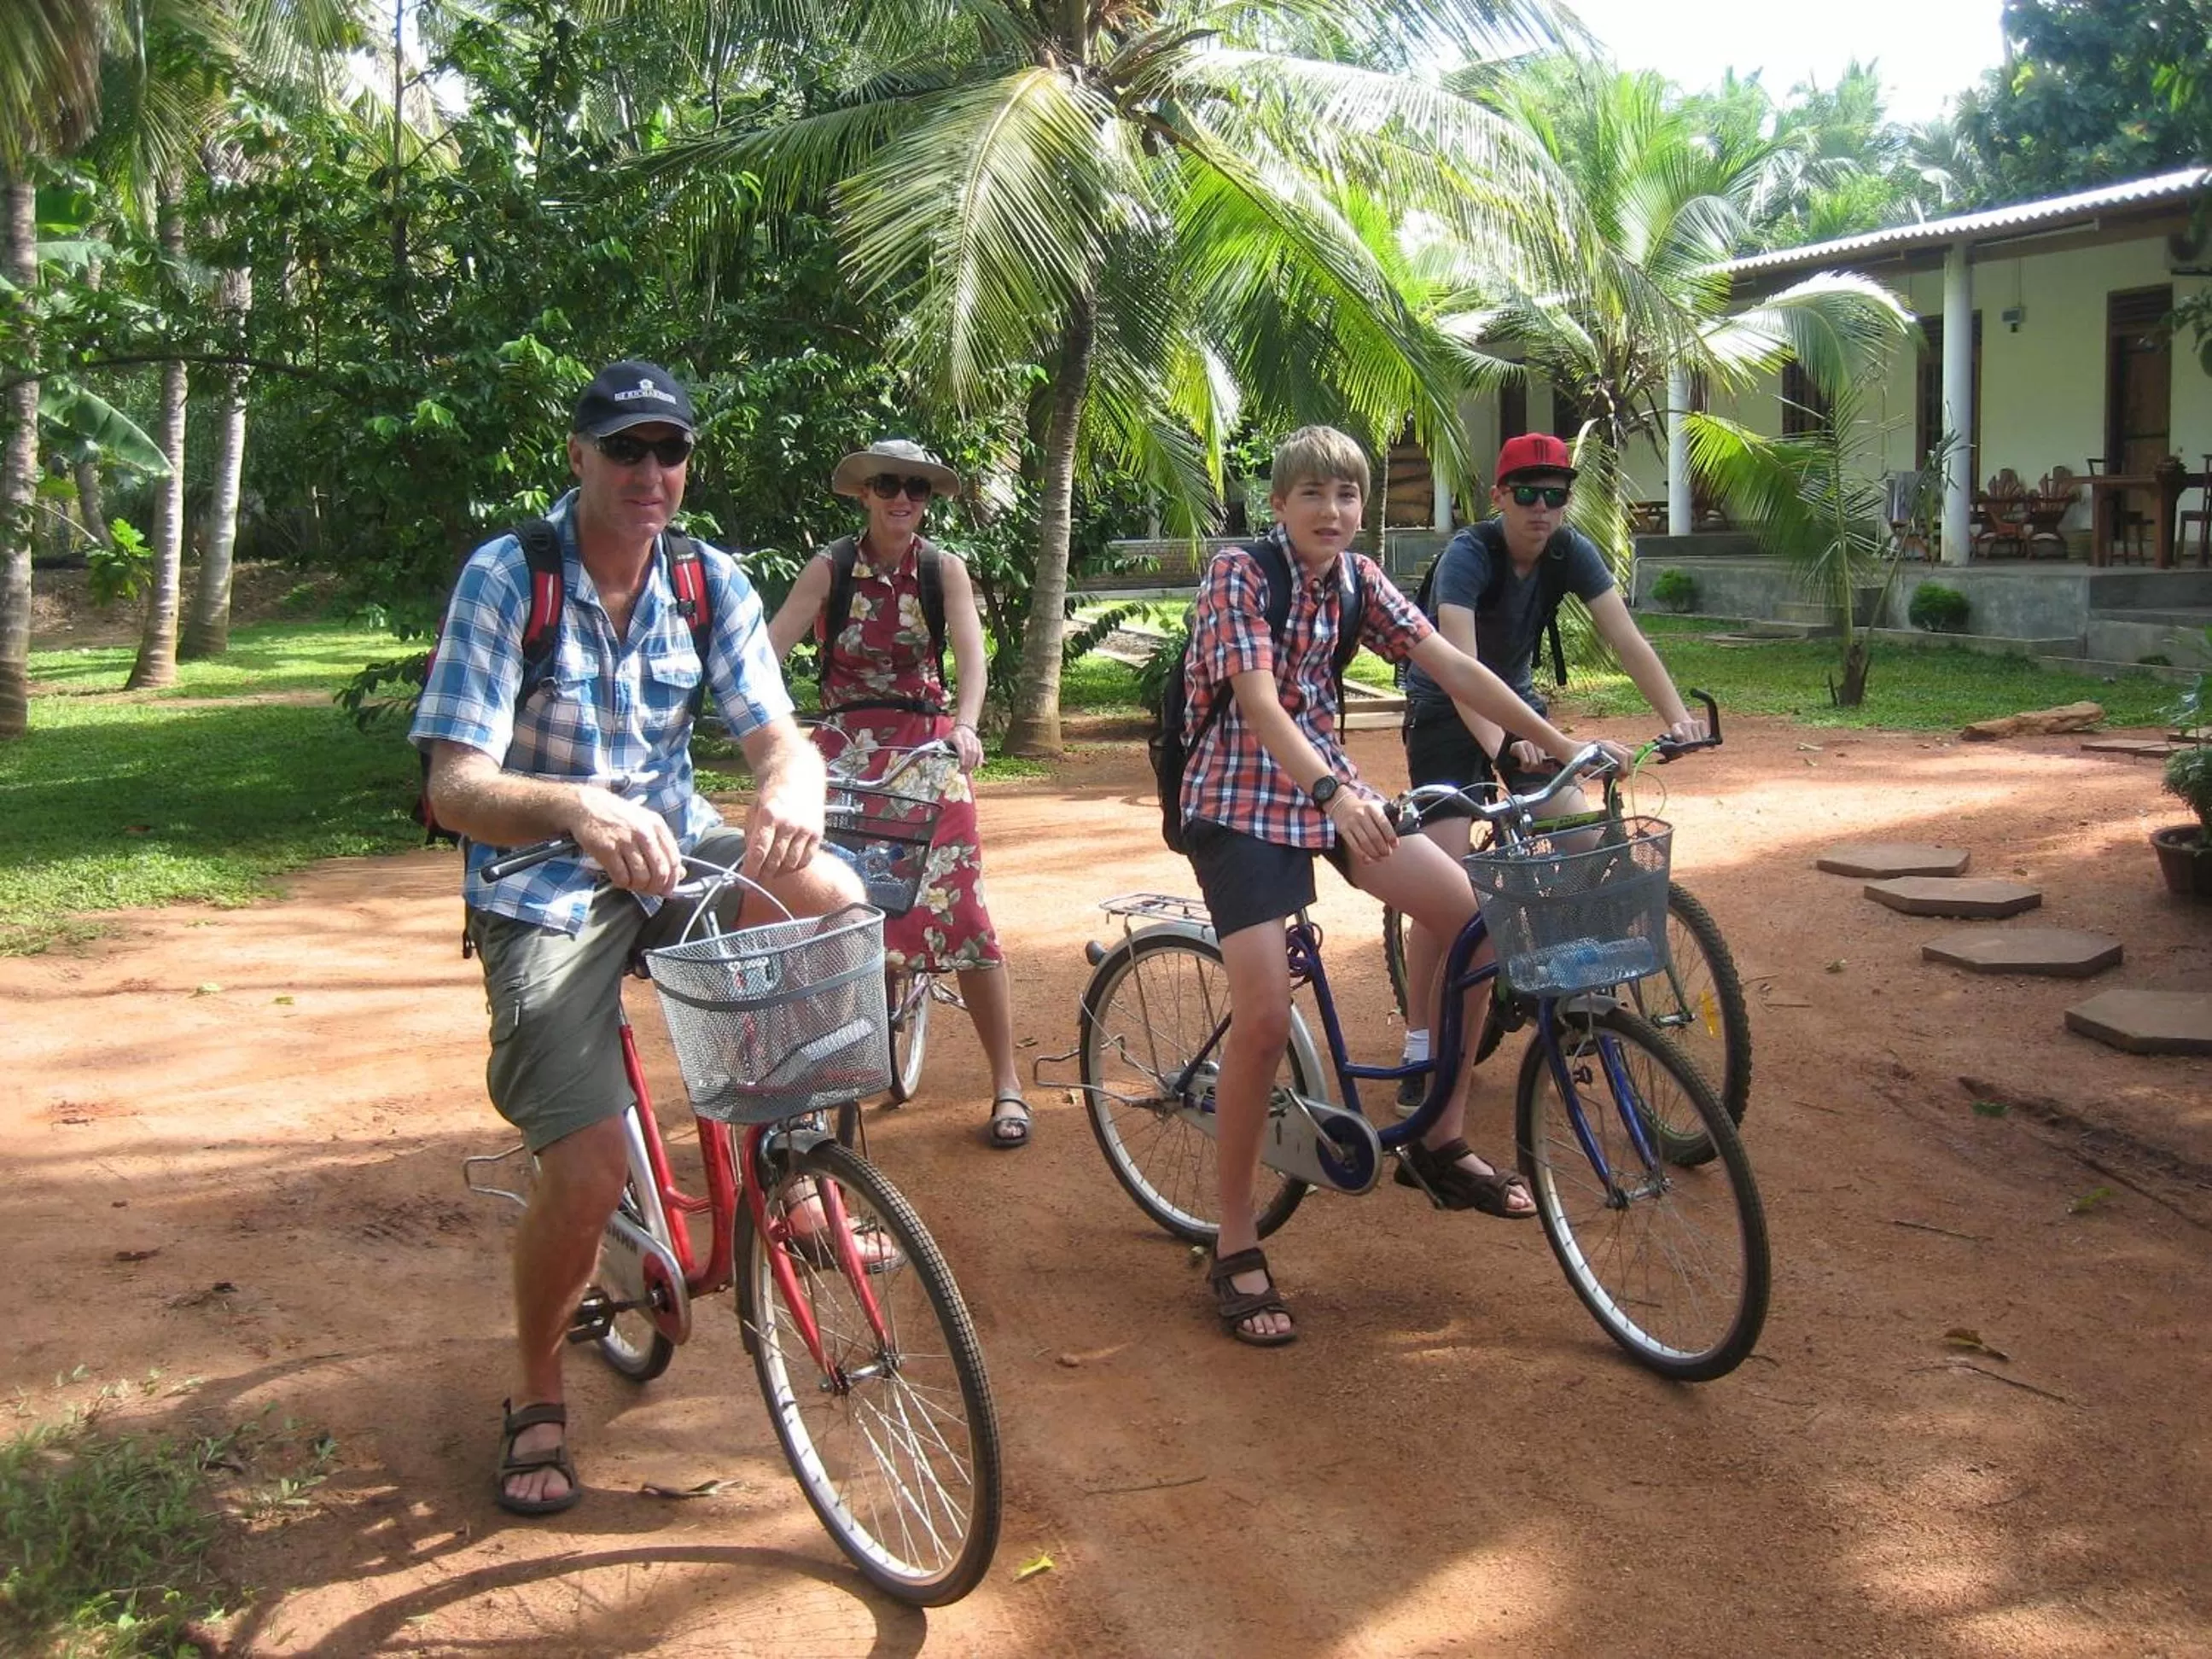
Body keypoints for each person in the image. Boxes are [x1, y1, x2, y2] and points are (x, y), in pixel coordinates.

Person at [411, 360, 863, 1516]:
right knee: (592, 1162)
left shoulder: (708, 579)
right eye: (626, 450)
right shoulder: (509, 578)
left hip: (673, 846)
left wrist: (794, 790)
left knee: (837, 895)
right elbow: (453, 787)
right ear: (579, 457)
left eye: (669, 452)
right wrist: (575, 808)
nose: (650, 474)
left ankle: (788, 1146)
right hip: (541, 887)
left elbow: (776, 740)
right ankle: (534, 1388)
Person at [1179, 425, 1630, 1347]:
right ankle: (1233, 1241)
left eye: (1347, 496)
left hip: (1329, 791)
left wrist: (1554, 741)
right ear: (1278, 505)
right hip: (1236, 796)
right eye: (1313, 495)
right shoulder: (1239, 573)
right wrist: (1332, 792)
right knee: (1265, 1018)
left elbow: (1456, 666)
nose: (1332, 512)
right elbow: (1259, 705)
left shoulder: (1356, 579)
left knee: (1477, 920)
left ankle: (1437, 1136)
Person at [1393, 433, 1707, 1103]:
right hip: (1447, 713)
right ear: (1498, 496)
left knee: (1584, 838)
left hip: (1522, 711)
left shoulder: (1569, 550)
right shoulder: (1466, 557)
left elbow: (1626, 637)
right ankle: (1420, 1039)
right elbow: (1461, 670)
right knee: (1441, 874)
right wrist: (1503, 747)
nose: (1542, 508)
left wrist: (1679, 718)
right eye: (1527, 494)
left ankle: (1567, 983)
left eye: (1555, 495)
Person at [766, 439, 1033, 1148]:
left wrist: (968, 727)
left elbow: (971, 659)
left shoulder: (943, 568)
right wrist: (768, 725)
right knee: (830, 913)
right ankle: (826, 1086)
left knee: (963, 913)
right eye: (888, 485)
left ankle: (1007, 1082)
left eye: (916, 489)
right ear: (865, 493)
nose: (902, 499)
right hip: (842, 751)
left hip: (926, 750)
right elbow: (768, 652)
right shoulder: (832, 568)